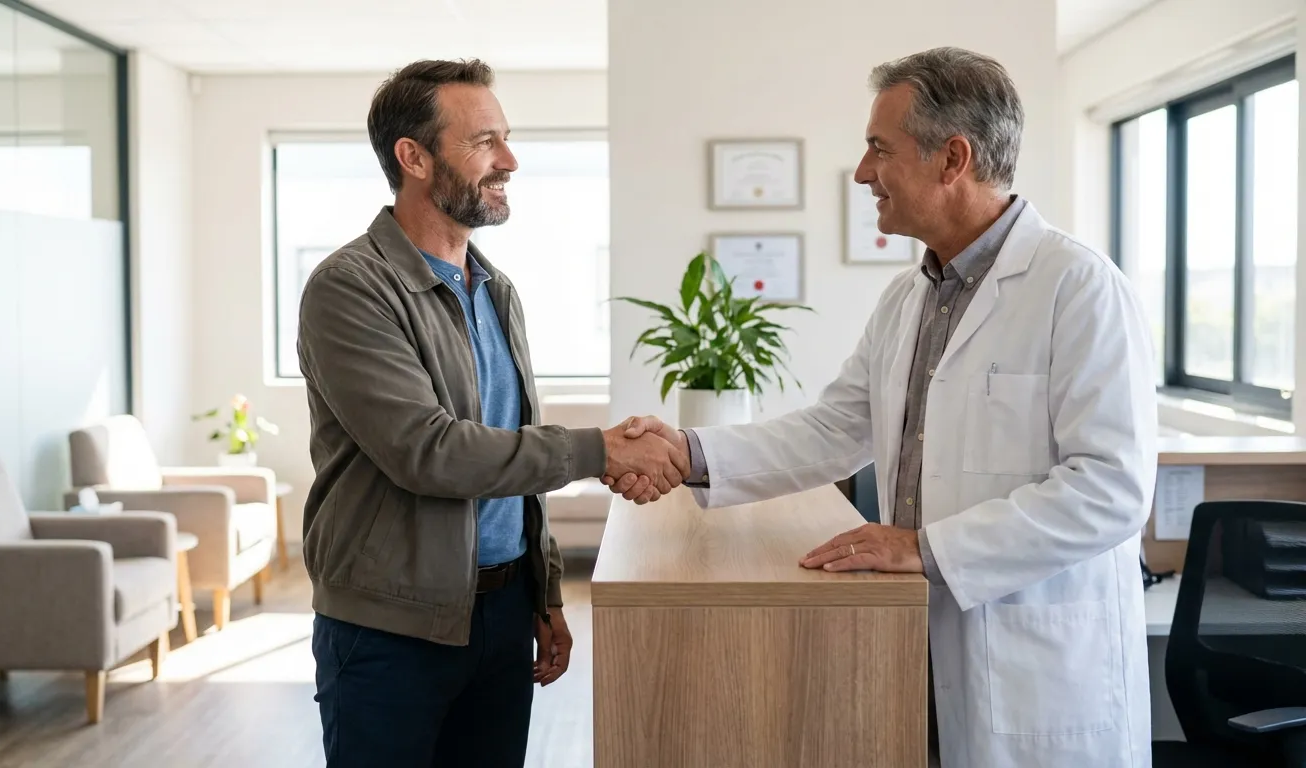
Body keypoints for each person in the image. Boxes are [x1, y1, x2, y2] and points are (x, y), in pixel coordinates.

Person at [609, 47, 1158, 768]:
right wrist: (689, 453)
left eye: (879, 148)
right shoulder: (910, 296)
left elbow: (1111, 490)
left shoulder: (1077, 287)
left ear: (951, 158)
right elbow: (837, 428)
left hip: (1033, 667)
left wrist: (923, 548)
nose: (864, 172)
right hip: (911, 643)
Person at [297, 58, 688, 768]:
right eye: (483, 142)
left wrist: (544, 592)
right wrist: (603, 450)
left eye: (505, 138)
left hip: (504, 615)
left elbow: (506, 447)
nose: (509, 160)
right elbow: (432, 452)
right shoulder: (349, 289)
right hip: (390, 632)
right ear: (412, 157)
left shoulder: (495, 290)